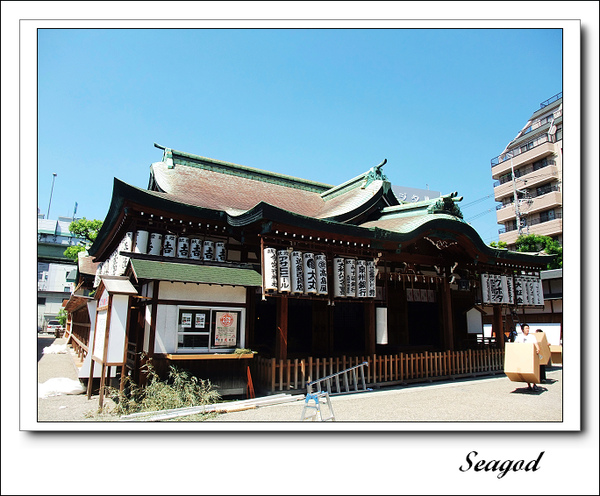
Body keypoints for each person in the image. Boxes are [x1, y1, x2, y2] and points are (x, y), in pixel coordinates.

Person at [514, 324, 542, 391]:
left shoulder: (532, 336)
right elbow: (515, 344)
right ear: (523, 329)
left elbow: (536, 344)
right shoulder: (519, 337)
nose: (527, 330)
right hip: (523, 356)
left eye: (528, 328)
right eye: (526, 328)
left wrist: (538, 349)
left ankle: (534, 384)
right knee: (526, 370)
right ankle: (528, 385)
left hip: (531, 355)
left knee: (532, 369)